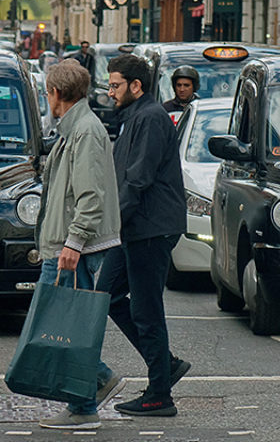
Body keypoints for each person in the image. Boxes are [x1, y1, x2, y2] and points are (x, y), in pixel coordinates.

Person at [32, 61, 123, 431]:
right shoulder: (76, 129)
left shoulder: (84, 131)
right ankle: (90, 390)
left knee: (62, 324)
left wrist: (73, 242)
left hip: (72, 247)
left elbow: (90, 195)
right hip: (66, 243)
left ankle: (87, 400)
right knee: (64, 324)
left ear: (54, 93)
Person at [98, 54, 190, 417]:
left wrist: (109, 225)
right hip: (134, 227)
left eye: (116, 85)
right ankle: (165, 366)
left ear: (136, 86)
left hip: (150, 228)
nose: (110, 92)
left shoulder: (150, 118)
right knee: (104, 296)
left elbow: (138, 179)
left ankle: (159, 395)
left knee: (147, 309)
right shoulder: (134, 116)